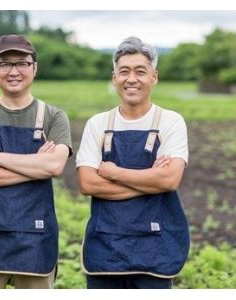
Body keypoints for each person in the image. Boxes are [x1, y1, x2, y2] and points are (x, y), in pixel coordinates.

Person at [0, 34, 72, 289]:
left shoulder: (53, 117)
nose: (14, 71)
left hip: (36, 239)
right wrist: (34, 168)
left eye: (22, 63)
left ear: (35, 68)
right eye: (5, 64)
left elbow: (53, 166)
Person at [76, 37, 190, 289]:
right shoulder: (98, 124)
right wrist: (151, 180)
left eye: (140, 71)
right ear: (114, 77)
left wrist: (114, 172)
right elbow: (87, 183)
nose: (131, 79)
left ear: (154, 77)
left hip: (157, 248)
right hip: (105, 248)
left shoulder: (170, 122)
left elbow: (170, 179)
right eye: (124, 71)